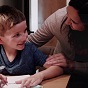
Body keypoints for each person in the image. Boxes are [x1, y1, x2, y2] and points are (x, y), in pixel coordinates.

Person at [0, 5, 63, 88]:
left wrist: (40, 75)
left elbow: (58, 68)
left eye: (25, 30)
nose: (25, 37)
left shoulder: (30, 49)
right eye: (17, 35)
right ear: (1, 40)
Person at [28, 0, 88, 75]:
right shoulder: (58, 19)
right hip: (61, 73)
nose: (66, 22)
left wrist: (71, 64)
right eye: (67, 13)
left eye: (73, 21)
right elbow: (30, 42)